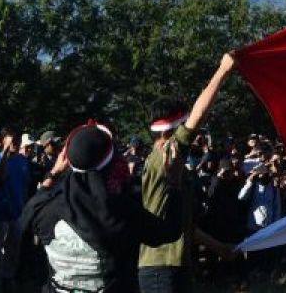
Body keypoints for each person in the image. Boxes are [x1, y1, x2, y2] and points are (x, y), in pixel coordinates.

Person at [22, 121, 185, 293]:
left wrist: (53, 173)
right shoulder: (122, 211)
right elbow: (169, 232)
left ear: (67, 161)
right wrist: (173, 184)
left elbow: (34, 203)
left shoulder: (43, 207)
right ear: (110, 162)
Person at [137, 54, 237, 293]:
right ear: (171, 128)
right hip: (161, 270)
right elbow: (198, 116)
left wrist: (219, 248)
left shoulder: (172, 165)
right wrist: (223, 71)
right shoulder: (165, 153)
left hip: (173, 267)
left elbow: (185, 227)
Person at [0, 131, 31, 291]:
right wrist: (4, 151)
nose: (15, 143)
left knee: (13, 250)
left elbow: (24, 185)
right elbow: (1, 176)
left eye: (17, 140)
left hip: (17, 212)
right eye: (12, 140)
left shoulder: (23, 161)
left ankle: (8, 278)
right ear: (3, 141)